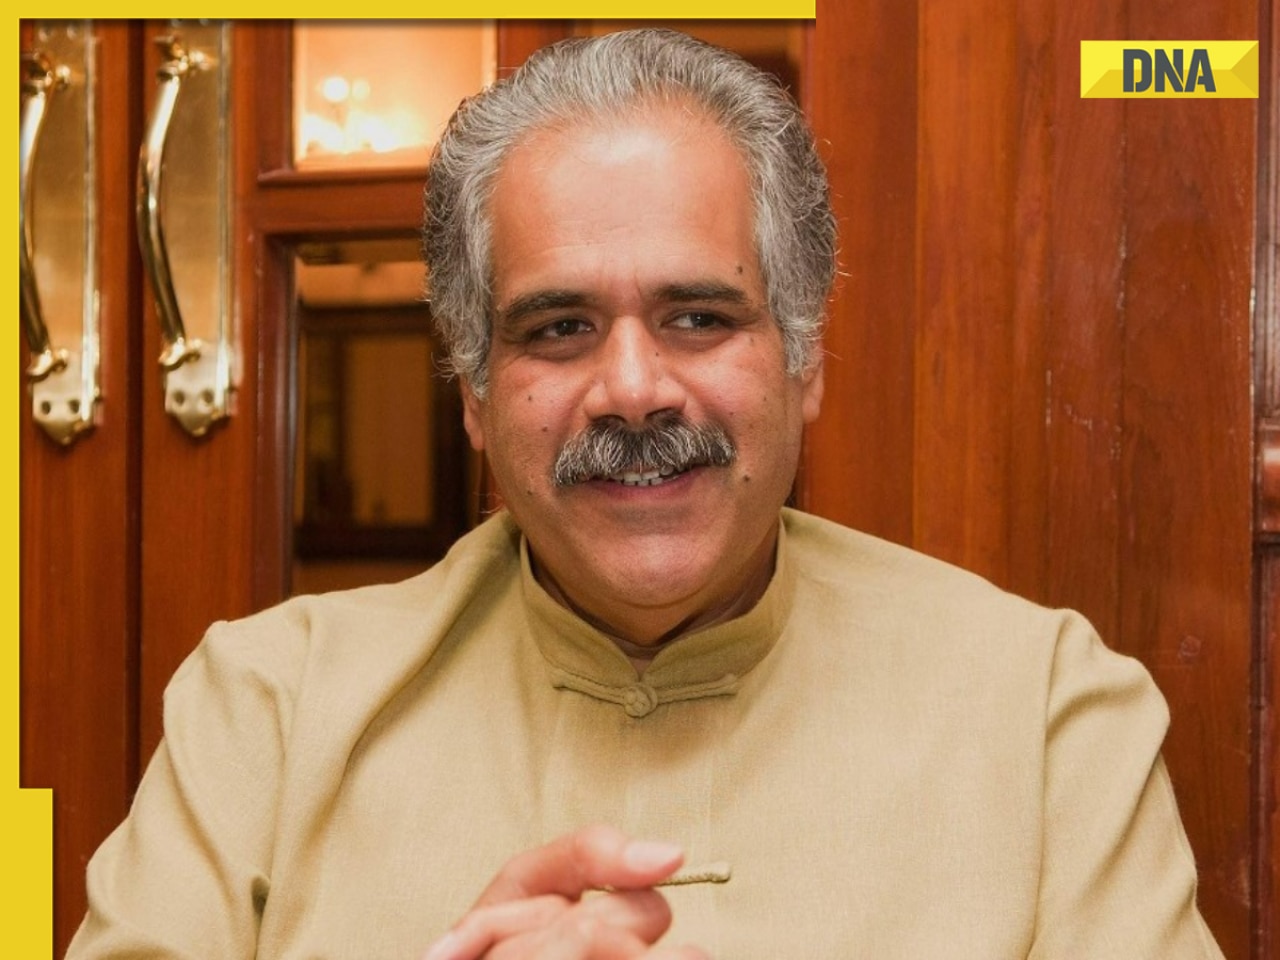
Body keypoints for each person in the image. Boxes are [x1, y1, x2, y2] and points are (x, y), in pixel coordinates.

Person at [68, 29, 1224, 960]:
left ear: (803, 364)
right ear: (475, 394)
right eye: (558, 328)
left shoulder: (1042, 714)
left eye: (698, 317)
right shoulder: (267, 715)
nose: (631, 390)